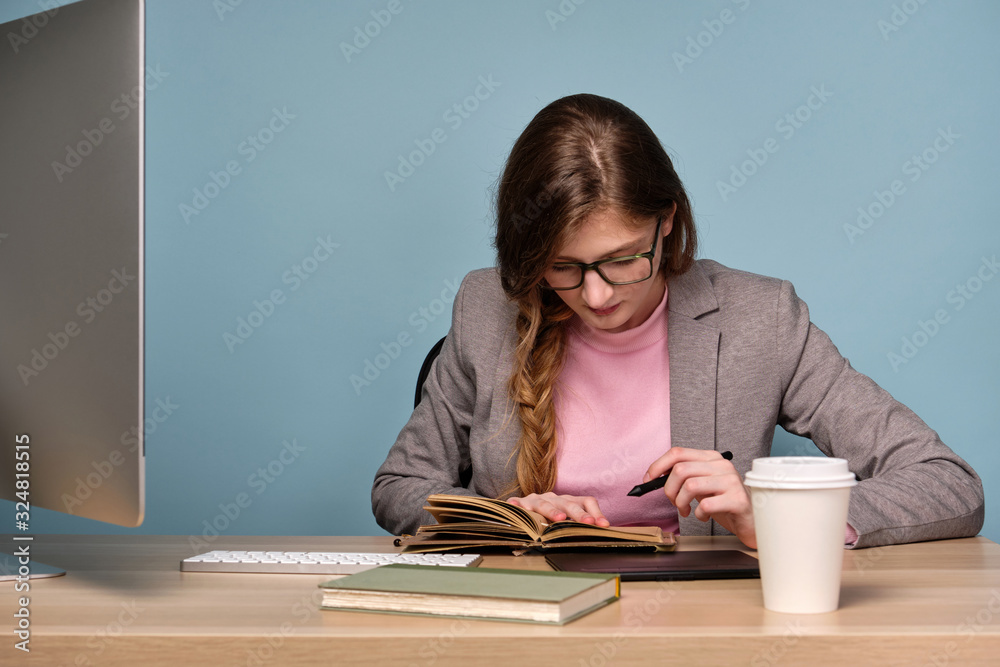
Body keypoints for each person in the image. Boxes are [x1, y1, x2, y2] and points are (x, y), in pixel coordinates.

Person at [371, 93, 984, 549]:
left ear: (666, 222)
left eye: (621, 260)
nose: (597, 295)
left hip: (705, 625)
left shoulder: (760, 320)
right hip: (525, 619)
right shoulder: (487, 307)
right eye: (563, 267)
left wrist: (774, 518)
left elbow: (949, 484)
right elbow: (400, 484)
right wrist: (504, 519)